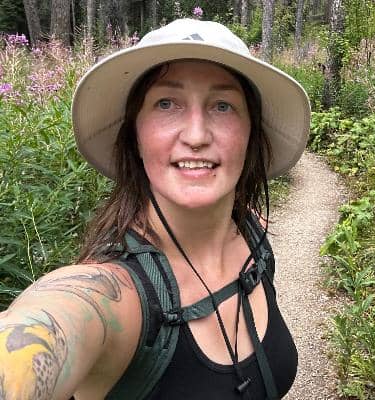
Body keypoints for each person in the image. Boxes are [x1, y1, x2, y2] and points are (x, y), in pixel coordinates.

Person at [0, 18, 310, 400]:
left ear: (251, 133)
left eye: (223, 106)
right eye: (166, 103)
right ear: (135, 134)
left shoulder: (253, 235)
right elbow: (45, 328)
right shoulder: (113, 295)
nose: (196, 135)